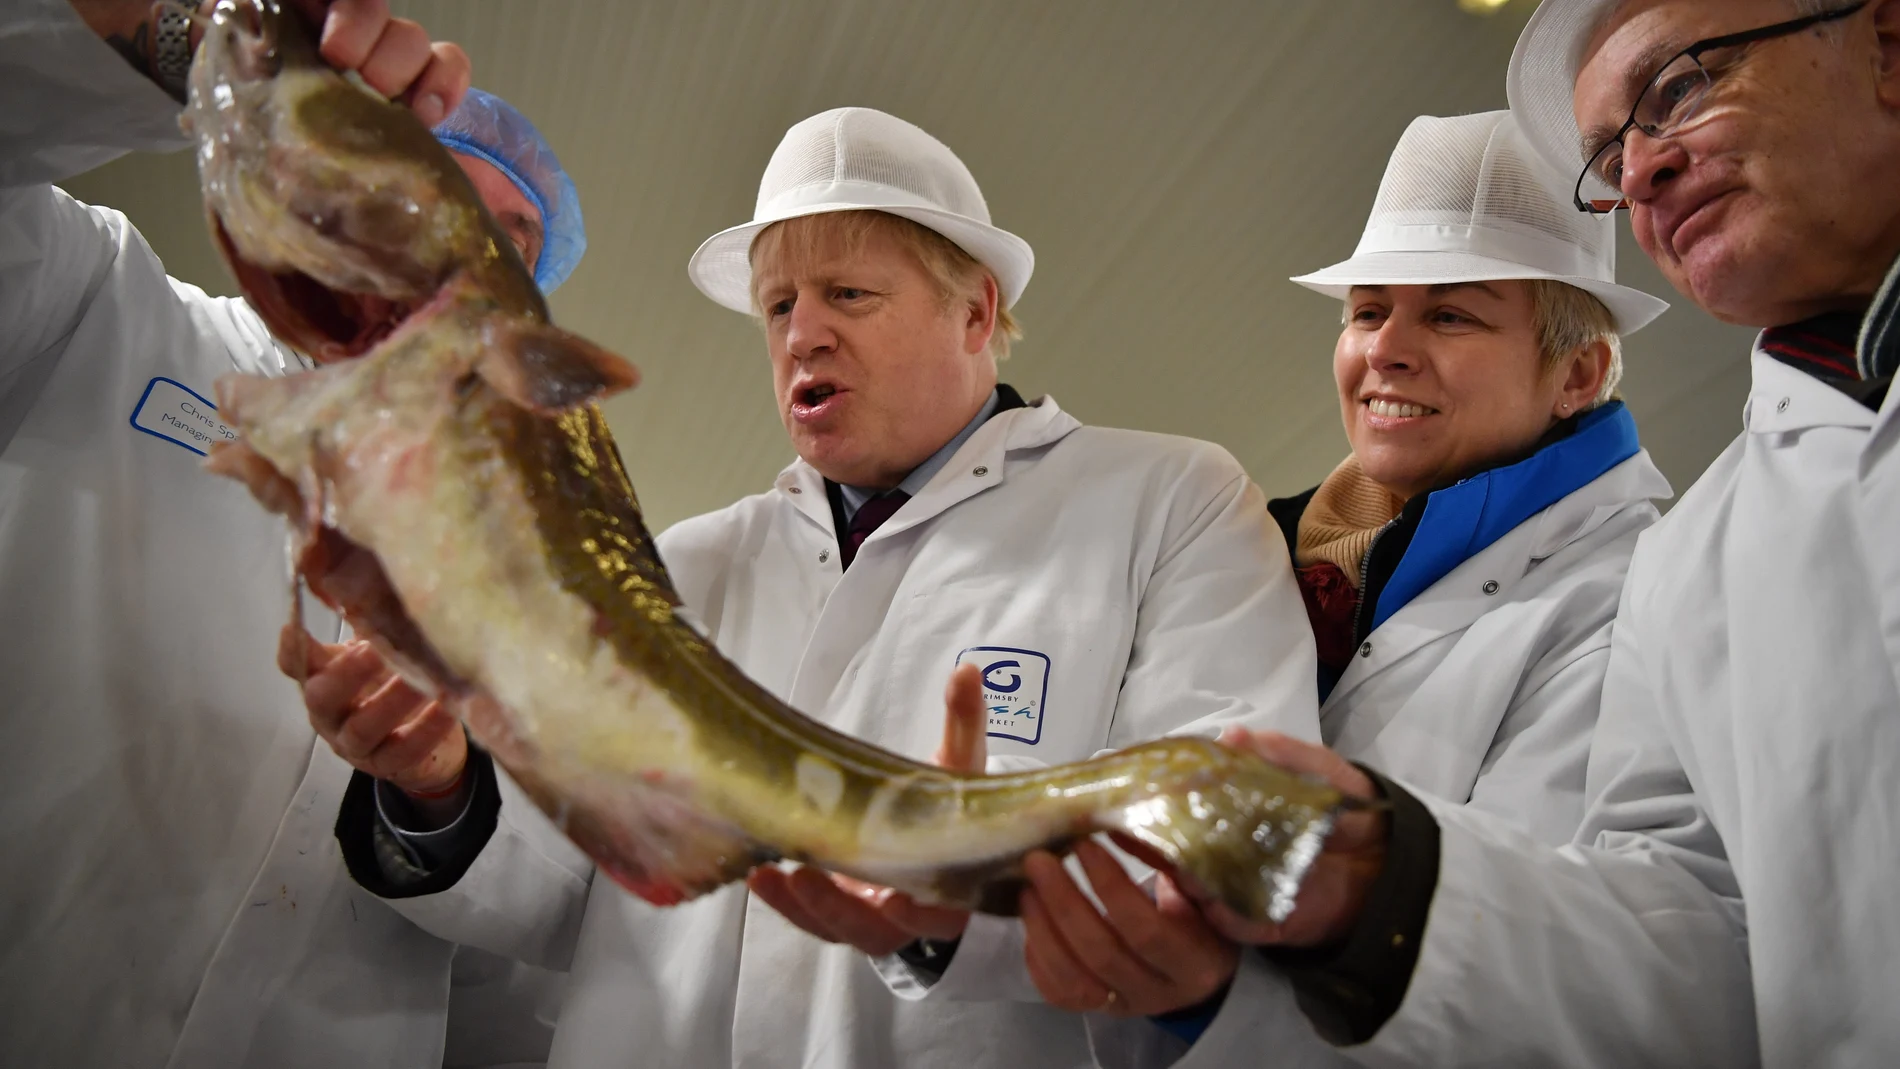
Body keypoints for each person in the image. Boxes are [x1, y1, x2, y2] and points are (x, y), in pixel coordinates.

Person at [317, 105, 1323, 1069]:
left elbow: (1213, 846)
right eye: (779, 306)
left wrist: (961, 902)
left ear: (974, 309)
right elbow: (558, 887)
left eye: (849, 294)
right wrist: (440, 780)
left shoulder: (1166, 501)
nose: (803, 335)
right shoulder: (679, 567)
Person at [1195, 1, 1900, 1066]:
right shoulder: (1691, 568)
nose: (1644, 168)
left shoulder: (1622, 586)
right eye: (1610, 151)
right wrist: (1380, 888)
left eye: (1680, 85)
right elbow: (1691, 944)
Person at [997, 110, 1675, 1067]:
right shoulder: (1253, 550)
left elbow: (1524, 979)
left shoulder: (1630, 598)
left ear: (1579, 372)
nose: (1385, 349)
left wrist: (1216, 1001)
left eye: (1450, 313)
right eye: (1366, 309)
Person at [0, 2, 575, 1065]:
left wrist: (444, 793)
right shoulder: (95, 303)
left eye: (510, 242)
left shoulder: (544, 578)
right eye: (433, 192)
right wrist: (203, 45)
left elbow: (541, 945)